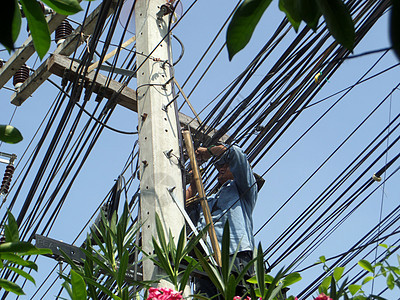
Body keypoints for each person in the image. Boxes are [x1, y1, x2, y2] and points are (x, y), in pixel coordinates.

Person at [186, 144, 259, 298]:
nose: (221, 168)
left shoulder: (243, 189)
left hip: (235, 254)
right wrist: (193, 182)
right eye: (219, 165)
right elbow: (183, 211)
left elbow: (236, 153)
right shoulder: (208, 201)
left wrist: (209, 152)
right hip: (206, 262)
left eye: (226, 165)